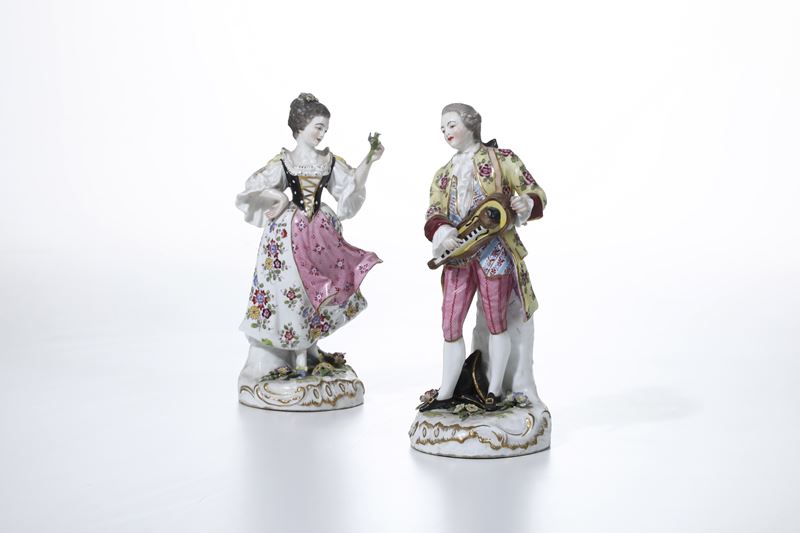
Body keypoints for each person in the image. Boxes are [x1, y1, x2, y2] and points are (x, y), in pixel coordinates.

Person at [235, 93, 383, 384]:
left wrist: (370, 160)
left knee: (318, 291)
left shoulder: (328, 161)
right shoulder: (284, 161)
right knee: (292, 290)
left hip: (319, 234)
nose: (321, 134)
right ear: (300, 126)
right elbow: (253, 186)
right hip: (288, 234)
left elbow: (350, 186)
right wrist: (278, 197)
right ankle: (294, 354)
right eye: (318, 127)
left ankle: (308, 350)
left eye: (325, 128)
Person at [421, 103, 546, 411]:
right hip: (458, 256)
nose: (446, 132)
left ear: (471, 124)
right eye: (442, 128)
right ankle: (446, 391)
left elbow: (534, 191)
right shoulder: (443, 174)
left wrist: (526, 203)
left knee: (496, 321)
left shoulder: (502, 159)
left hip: (495, 253)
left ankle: (494, 389)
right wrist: (443, 231)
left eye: (452, 125)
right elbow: (433, 212)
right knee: (450, 323)